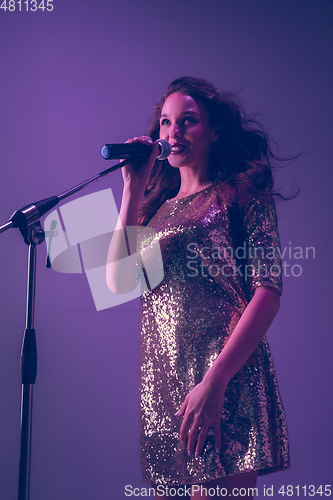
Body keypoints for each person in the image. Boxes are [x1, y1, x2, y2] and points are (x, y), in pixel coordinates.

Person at [106, 77, 290, 499]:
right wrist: (133, 188)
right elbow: (118, 281)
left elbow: (268, 292)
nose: (173, 132)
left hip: (223, 383)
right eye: (166, 123)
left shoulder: (240, 195)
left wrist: (216, 381)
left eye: (187, 121)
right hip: (167, 391)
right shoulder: (156, 213)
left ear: (214, 131)